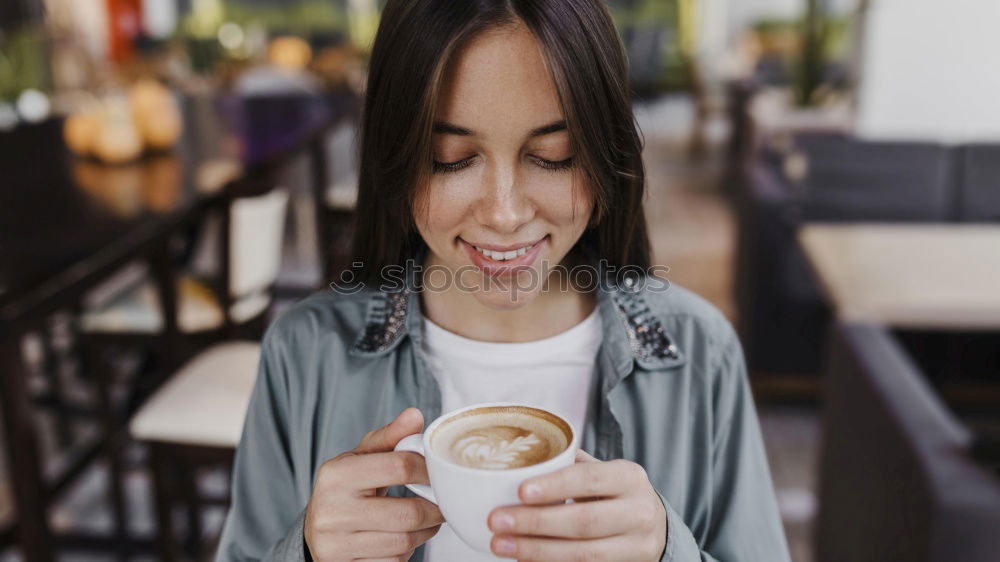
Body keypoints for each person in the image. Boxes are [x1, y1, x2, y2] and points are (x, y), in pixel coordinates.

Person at [215, 0, 791, 560]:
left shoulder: (697, 351)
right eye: (450, 158)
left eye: (554, 155)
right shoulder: (305, 352)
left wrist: (670, 552)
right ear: (397, 156)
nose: (505, 214)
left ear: (604, 155)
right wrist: (308, 553)